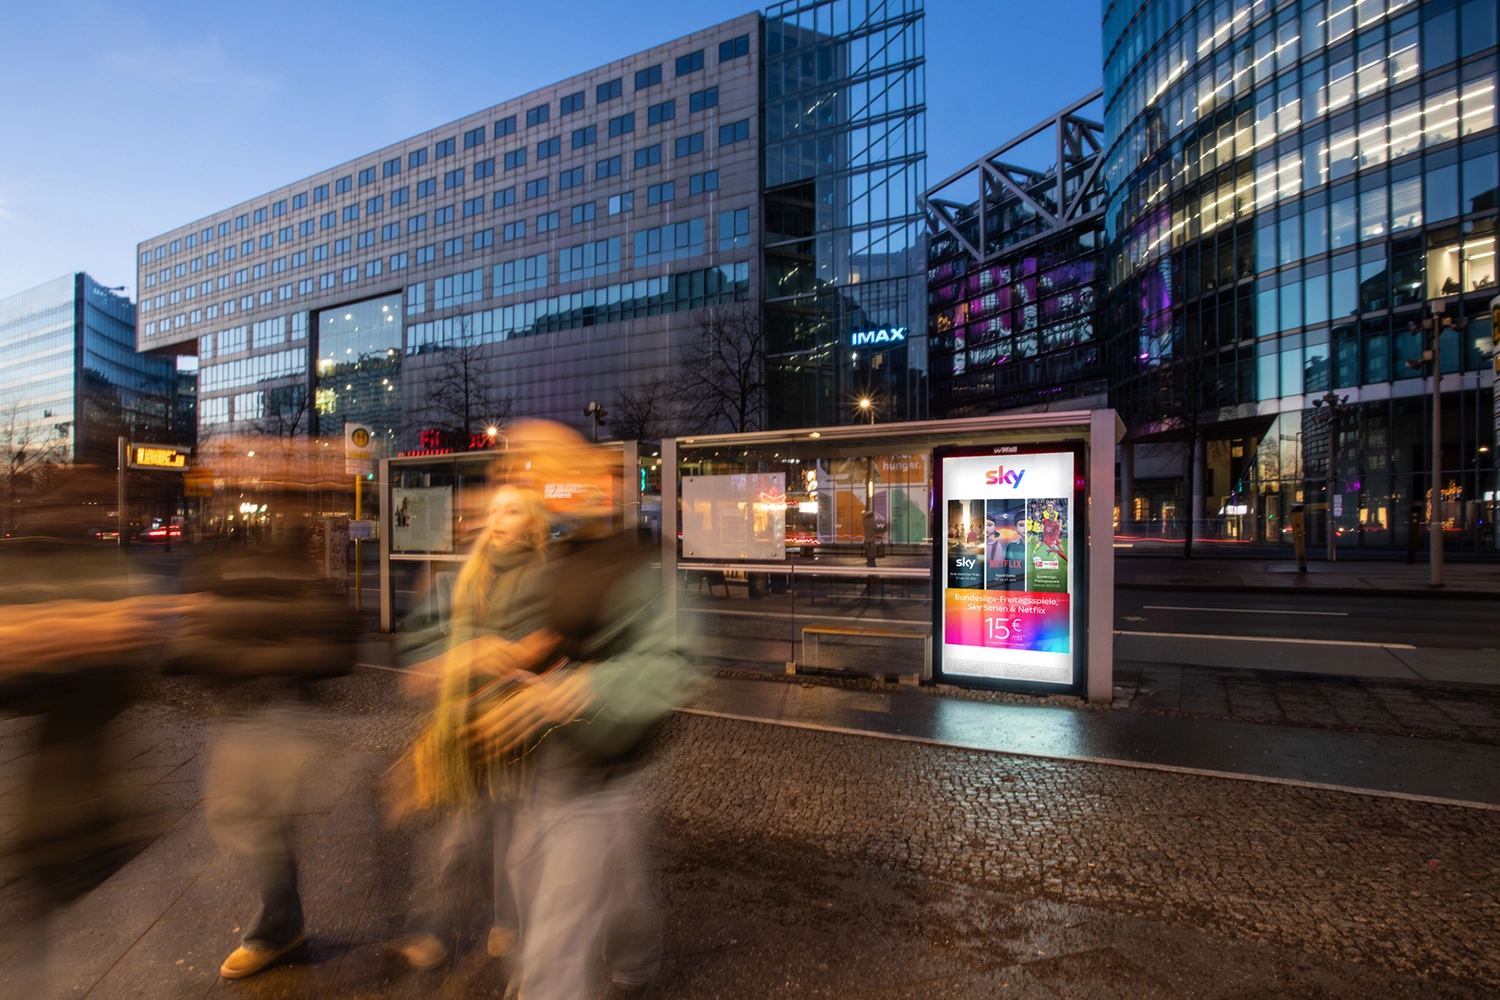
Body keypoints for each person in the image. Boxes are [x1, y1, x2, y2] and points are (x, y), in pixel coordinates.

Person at [469, 420, 700, 1000]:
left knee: (571, 915)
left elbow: (678, 665)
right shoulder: (563, 556)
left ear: (600, 480)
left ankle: (603, 968)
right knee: (543, 873)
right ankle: (618, 960)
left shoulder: (643, 565)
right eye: (536, 473)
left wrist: (573, 689)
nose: (545, 485)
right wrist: (521, 656)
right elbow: (561, 636)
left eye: (554, 471)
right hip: (555, 762)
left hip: (603, 767)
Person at [163, 438, 358, 980]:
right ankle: (281, 920)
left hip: (277, 708)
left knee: (252, 816)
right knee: (238, 815)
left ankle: (278, 925)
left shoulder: (291, 552)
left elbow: (329, 641)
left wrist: (239, 657)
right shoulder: (230, 546)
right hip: (241, 708)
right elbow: (200, 625)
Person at [392, 483, 553, 971]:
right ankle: (462, 927)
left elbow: (541, 650)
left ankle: (491, 925)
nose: (498, 518)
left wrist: (495, 653)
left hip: (512, 730)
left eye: (512, 510)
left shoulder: (543, 577)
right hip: (463, 722)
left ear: (532, 524)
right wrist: (445, 662)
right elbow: (433, 633)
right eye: (495, 509)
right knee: (469, 838)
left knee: (491, 839)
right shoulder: (470, 571)